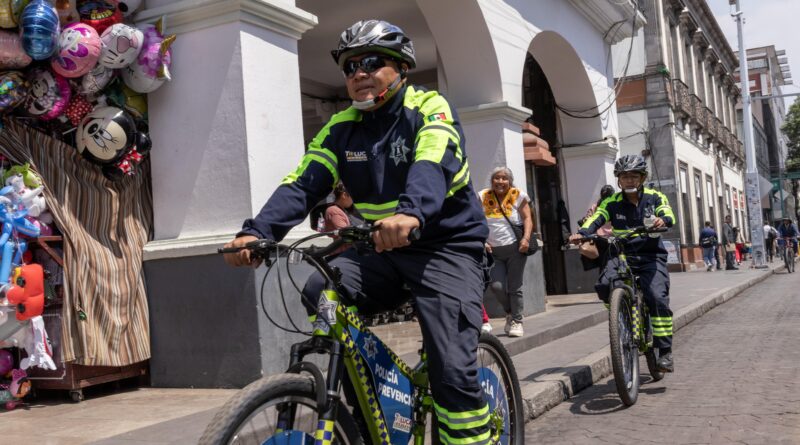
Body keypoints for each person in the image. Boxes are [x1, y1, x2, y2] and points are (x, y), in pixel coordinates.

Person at [222, 20, 492, 442]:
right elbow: (303, 183)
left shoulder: (429, 107)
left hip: (446, 248)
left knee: (453, 372)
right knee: (321, 290)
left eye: (370, 62)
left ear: (402, 67)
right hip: (382, 248)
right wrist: (255, 233)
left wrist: (412, 214)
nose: (359, 73)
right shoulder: (339, 128)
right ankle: (373, 404)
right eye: (349, 68)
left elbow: (432, 160)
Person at [569, 154, 676, 373]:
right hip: (621, 255)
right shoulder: (612, 202)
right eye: (624, 176)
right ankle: (622, 314)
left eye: (634, 176)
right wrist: (581, 233)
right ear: (619, 179)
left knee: (656, 297)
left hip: (650, 256)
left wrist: (662, 220)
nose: (629, 180)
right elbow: (596, 218)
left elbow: (667, 213)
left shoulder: (655, 197)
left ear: (642, 177)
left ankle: (664, 351)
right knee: (604, 285)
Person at [480, 166, 533, 338]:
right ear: (492, 180)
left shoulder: (519, 195)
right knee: (497, 286)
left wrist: (525, 239)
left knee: (515, 287)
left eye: (504, 178)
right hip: (493, 252)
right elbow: (476, 220)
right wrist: (482, 241)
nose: (500, 181)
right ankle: (510, 312)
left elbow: (527, 218)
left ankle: (517, 321)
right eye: (497, 178)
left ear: (509, 181)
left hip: (515, 249)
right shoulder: (482, 196)